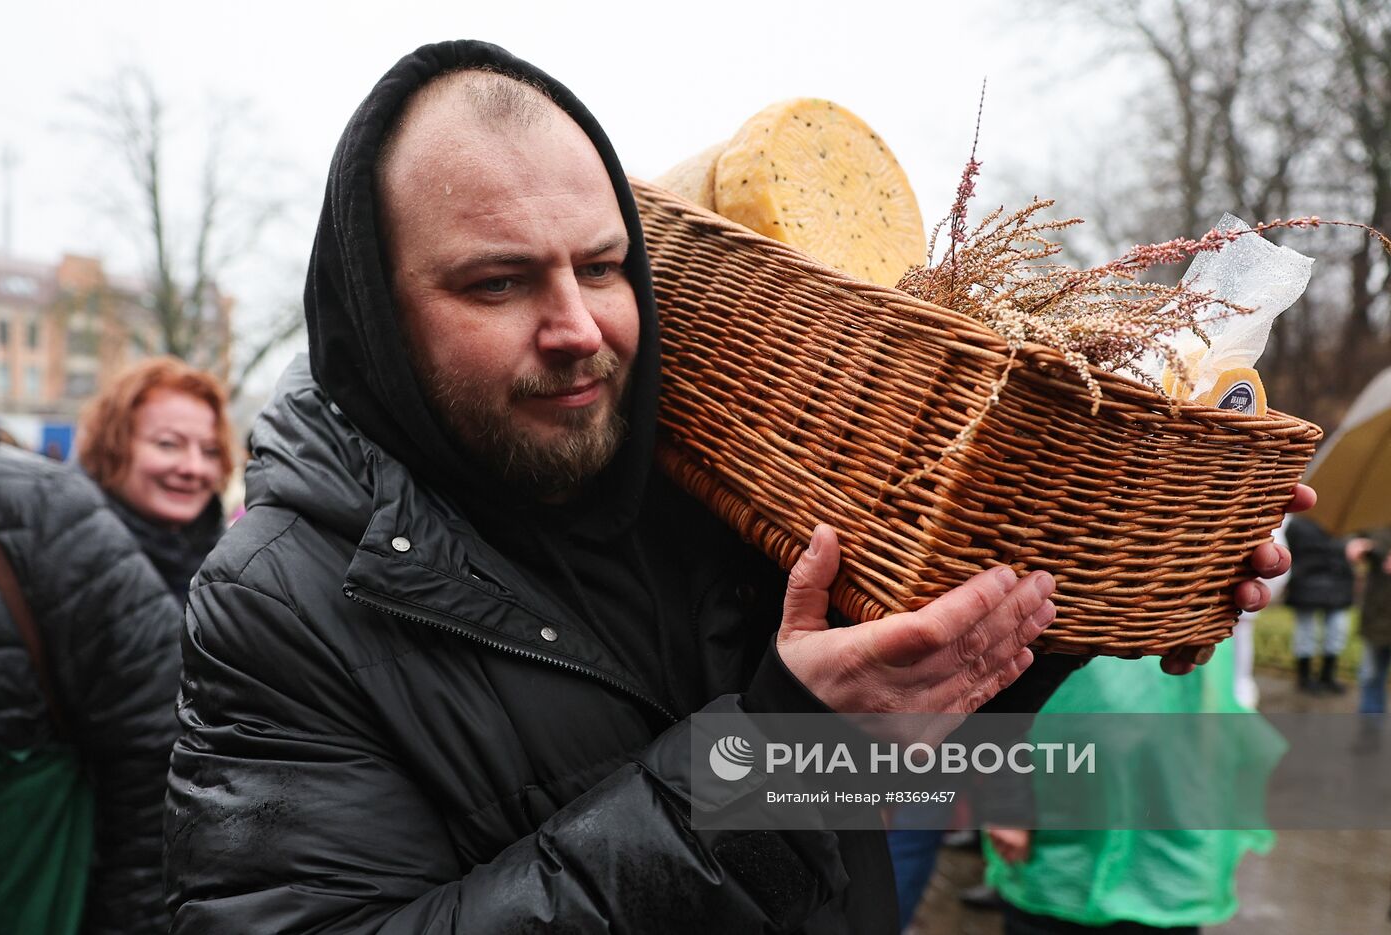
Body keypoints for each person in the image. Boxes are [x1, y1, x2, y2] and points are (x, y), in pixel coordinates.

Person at [163, 41, 1306, 932]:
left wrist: (1077, 597)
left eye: (602, 266)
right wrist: (771, 761)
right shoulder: (278, 598)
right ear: (377, 313)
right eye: (497, 282)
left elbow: (907, 741)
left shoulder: (722, 471)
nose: (578, 329)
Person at [0, 431, 181, 933]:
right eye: (169, 443)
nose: (189, 467)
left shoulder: (42, 511)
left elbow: (156, 744)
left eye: (209, 450)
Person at [981, 641, 1280, 935]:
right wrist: (1006, 800)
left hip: (1167, 854)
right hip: (1058, 845)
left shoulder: (1200, 611)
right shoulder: (1067, 611)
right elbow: (1008, 704)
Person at [75, 357, 234, 605]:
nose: (194, 467)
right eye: (168, 444)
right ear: (111, 446)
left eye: (210, 451)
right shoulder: (56, 560)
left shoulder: (236, 568)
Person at [1284, 516, 1355, 693]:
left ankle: (1327, 676)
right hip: (1309, 584)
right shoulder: (1299, 524)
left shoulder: (1343, 524)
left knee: (1336, 631)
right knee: (1306, 632)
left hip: (1336, 586)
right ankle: (1305, 677)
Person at [1347, 529, 1391, 714]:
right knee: (1371, 675)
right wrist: (1356, 546)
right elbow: (1354, 541)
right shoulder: (1377, 522)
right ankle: (1370, 725)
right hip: (1377, 616)